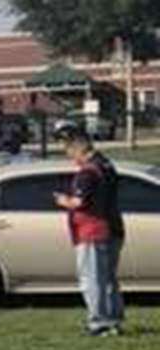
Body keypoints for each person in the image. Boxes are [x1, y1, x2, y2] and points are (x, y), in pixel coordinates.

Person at [51, 123, 125, 337]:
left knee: (92, 279)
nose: (70, 157)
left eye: (68, 150)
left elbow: (79, 201)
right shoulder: (107, 165)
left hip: (93, 231)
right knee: (108, 279)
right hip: (113, 228)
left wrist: (63, 200)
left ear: (77, 148)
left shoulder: (87, 172)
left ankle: (99, 322)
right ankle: (113, 320)